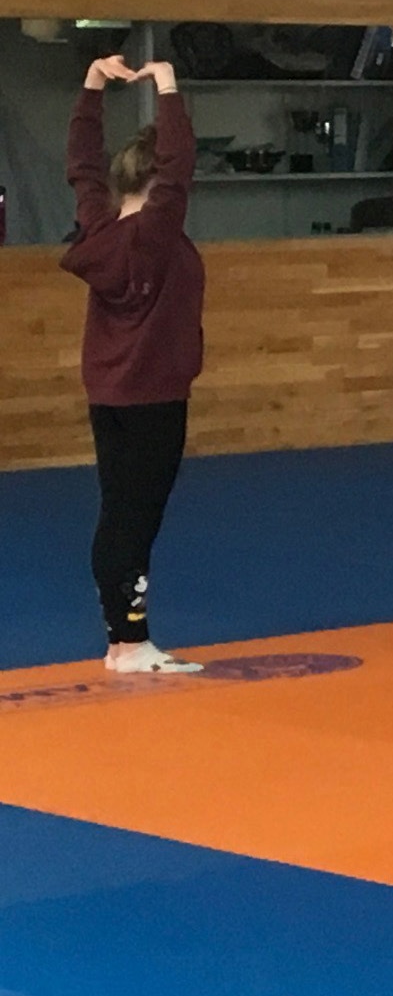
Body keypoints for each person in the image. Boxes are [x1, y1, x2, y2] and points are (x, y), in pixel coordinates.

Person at [69, 53, 204, 679]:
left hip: (110, 393)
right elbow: (177, 167)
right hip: (153, 396)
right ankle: (131, 642)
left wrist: (94, 86)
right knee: (136, 517)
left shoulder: (97, 227)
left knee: (118, 510)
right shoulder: (154, 234)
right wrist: (168, 87)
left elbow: (82, 166)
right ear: (155, 187)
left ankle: (119, 637)